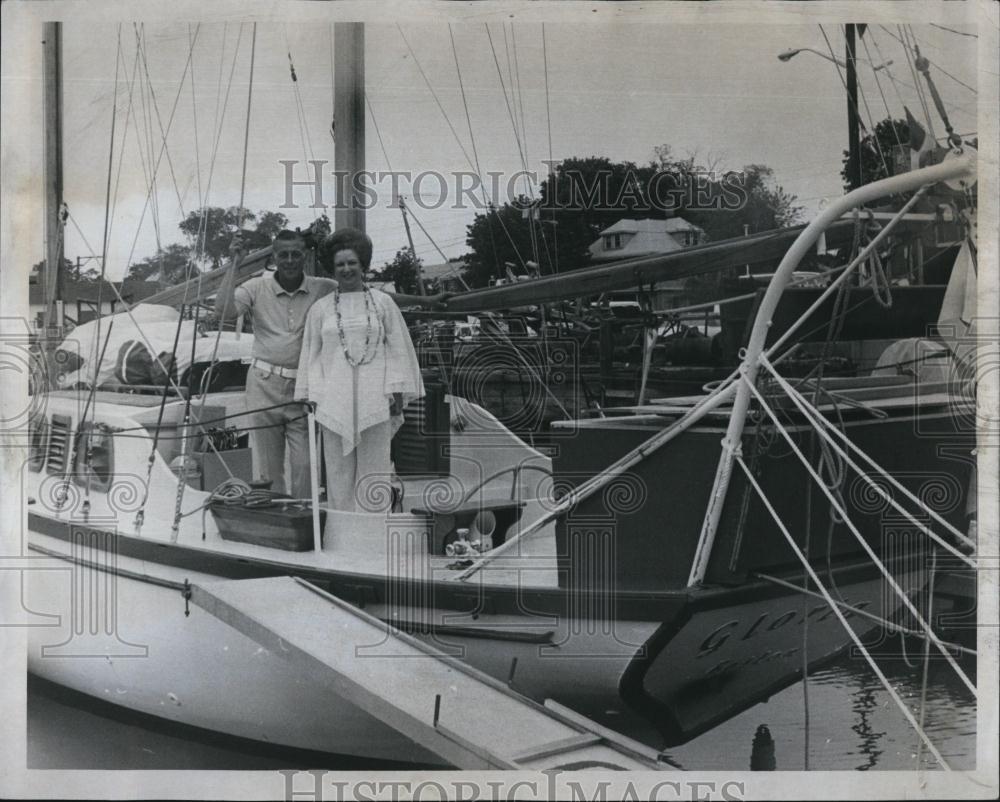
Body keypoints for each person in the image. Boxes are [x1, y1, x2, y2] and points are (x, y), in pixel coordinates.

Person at [214, 227, 442, 498]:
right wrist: (234, 264)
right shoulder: (255, 287)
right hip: (264, 386)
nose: (289, 260)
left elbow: (367, 296)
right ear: (274, 257)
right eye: (283, 254)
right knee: (266, 470)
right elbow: (224, 312)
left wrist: (425, 300)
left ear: (305, 256)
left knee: (305, 467)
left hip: (301, 391)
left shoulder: (323, 286)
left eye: (295, 254)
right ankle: (276, 527)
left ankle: (305, 527)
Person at [295, 228, 424, 512]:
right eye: (340, 264)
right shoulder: (321, 309)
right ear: (333, 268)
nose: (346, 269)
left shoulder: (383, 303)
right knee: (338, 469)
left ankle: (373, 531)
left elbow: (398, 348)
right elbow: (311, 355)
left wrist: (396, 392)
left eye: (352, 263)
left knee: (375, 465)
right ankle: (343, 529)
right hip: (333, 396)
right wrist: (310, 393)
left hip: (375, 395)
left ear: (363, 265)